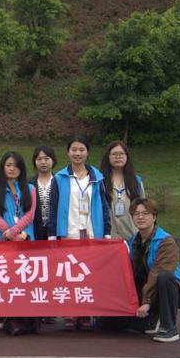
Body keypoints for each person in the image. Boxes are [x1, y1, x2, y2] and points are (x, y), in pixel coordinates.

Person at [99, 198, 180, 343]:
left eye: (145, 213)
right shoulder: (132, 241)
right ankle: (150, 321)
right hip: (145, 290)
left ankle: (169, 328)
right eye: (136, 214)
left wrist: (147, 301)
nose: (140, 217)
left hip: (169, 290)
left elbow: (157, 272)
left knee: (164, 276)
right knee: (107, 322)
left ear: (154, 217)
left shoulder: (166, 242)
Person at [49, 135, 111, 332]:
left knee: (89, 275)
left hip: (92, 233)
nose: (78, 153)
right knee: (69, 275)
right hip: (69, 233)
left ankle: (85, 314)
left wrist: (107, 232)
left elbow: (104, 206)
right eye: (74, 149)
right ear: (68, 152)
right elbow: (53, 207)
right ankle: (70, 314)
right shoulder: (59, 178)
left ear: (88, 152)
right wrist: (52, 234)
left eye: (82, 150)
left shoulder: (98, 177)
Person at [0, 152, 39, 336]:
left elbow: (30, 214)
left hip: (25, 239)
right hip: (3, 241)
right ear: (3, 167)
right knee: (4, 279)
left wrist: (15, 232)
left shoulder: (30, 189)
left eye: (15, 166)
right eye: (8, 165)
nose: (12, 169)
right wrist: (8, 232)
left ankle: (25, 318)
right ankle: (6, 319)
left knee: (24, 279)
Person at [100, 140, 146, 241]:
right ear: (108, 157)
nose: (118, 157)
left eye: (121, 153)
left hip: (132, 235)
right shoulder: (100, 181)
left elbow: (143, 208)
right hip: (108, 237)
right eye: (114, 154)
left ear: (127, 156)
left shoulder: (136, 181)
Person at [29, 145, 57, 242]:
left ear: (53, 160)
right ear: (34, 161)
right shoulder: (29, 183)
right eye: (39, 159)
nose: (43, 162)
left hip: (55, 230)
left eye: (46, 158)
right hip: (35, 229)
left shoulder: (59, 181)